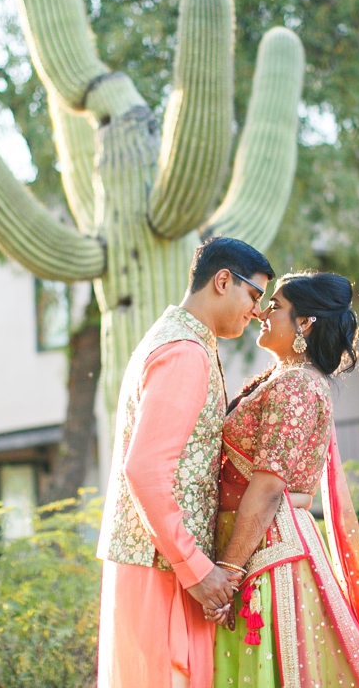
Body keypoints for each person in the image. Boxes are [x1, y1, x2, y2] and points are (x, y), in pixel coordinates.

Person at [97, 237, 275, 688]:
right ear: (222, 281)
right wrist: (196, 569)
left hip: (162, 561)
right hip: (162, 568)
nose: (257, 311)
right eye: (254, 295)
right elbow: (146, 471)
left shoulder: (183, 341)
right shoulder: (185, 352)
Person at [210, 271, 359, 688]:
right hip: (262, 542)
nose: (262, 311)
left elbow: (268, 487)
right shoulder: (287, 380)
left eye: (276, 306)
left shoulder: (296, 385)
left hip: (265, 551)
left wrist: (227, 572)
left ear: (306, 322)